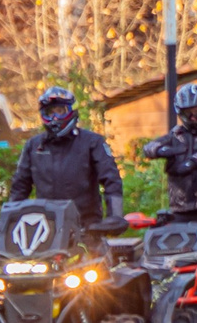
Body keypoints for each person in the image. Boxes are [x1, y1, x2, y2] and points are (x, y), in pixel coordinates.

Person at [7, 84, 124, 222]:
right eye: (50, 112)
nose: (55, 117)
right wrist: (9, 221)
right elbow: (20, 186)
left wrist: (115, 216)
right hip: (47, 227)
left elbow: (111, 179)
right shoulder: (34, 146)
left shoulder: (92, 142)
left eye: (60, 111)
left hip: (87, 226)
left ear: (70, 111)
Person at [140, 83, 197, 216]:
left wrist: (193, 162)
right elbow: (148, 147)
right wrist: (161, 150)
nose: (193, 117)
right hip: (180, 209)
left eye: (196, 111)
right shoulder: (176, 135)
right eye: (187, 113)